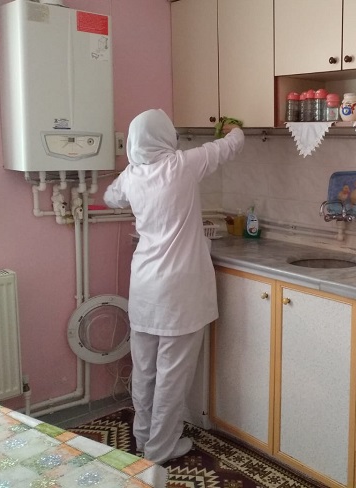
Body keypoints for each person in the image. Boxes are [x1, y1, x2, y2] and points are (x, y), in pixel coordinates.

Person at [103, 108, 244, 464]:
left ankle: (142, 438)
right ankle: (161, 450)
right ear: (165, 136)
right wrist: (231, 127)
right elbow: (233, 144)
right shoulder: (181, 165)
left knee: (145, 371)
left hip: (145, 287)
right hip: (179, 291)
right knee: (171, 376)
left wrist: (136, 179)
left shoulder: (132, 175)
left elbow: (110, 198)